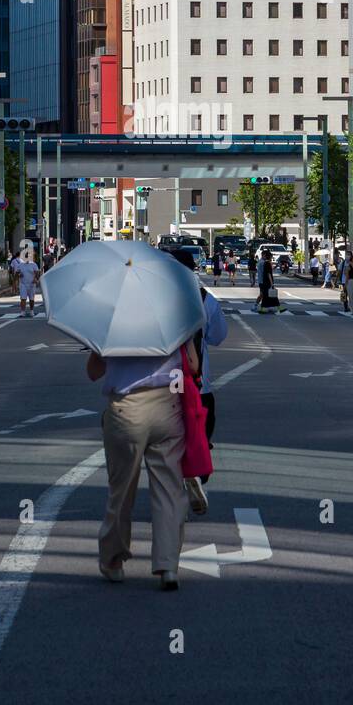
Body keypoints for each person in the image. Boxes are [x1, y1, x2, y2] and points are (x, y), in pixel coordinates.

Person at [87, 335, 199, 592]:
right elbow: (192, 365)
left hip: (126, 409)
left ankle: (113, 560)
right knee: (170, 488)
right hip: (168, 404)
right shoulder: (175, 308)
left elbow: (93, 372)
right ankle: (168, 565)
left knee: (121, 490)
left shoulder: (112, 318)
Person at [174, 249, 228, 499]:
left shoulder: (154, 298)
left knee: (166, 439)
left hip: (163, 385)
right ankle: (196, 473)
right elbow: (217, 336)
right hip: (197, 382)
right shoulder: (206, 299)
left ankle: (173, 484)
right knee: (201, 430)